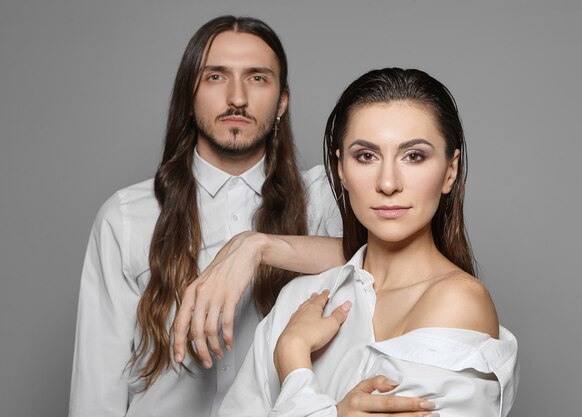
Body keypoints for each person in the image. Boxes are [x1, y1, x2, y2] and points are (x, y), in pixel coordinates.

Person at [70, 16, 432, 417]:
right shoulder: (125, 217)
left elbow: (382, 260)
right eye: (215, 77)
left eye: (257, 78)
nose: (237, 97)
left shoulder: (327, 198)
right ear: (188, 96)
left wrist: (256, 247)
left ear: (282, 102)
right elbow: (96, 393)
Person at [219, 68, 519, 417]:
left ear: (450, 171)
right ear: (341, 168)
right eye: (366, 156)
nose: (388, 183)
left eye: (414, 156)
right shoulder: (300, 299)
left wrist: (295, 364)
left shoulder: (459, 301)